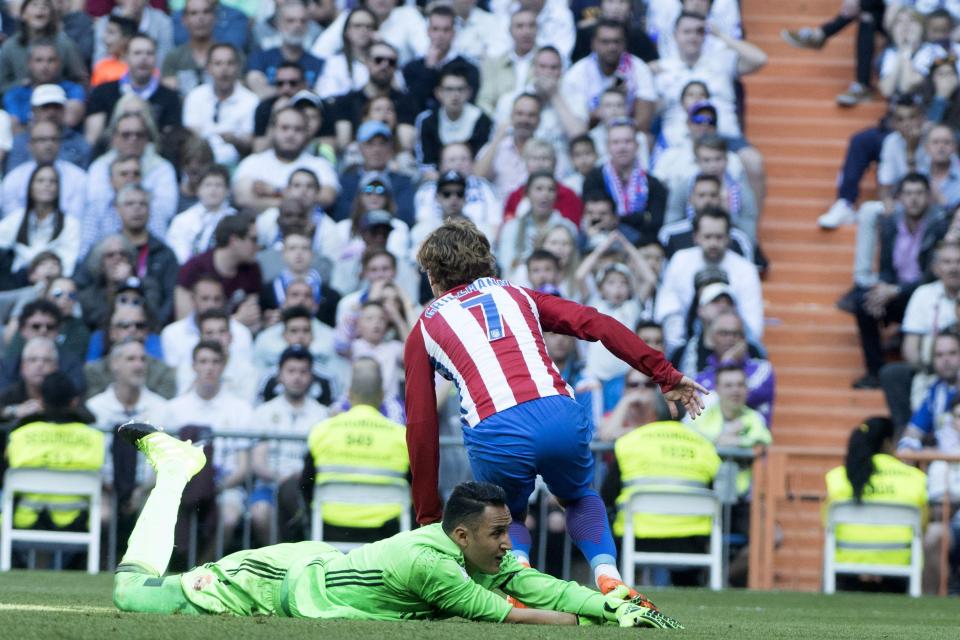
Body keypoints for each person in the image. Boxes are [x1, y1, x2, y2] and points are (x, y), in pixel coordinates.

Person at [405, 218, 707, 598]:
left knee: (506, 515)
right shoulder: (518, 294)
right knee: (579, 496)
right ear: (486, 262)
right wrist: (664, 373)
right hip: (559, 414)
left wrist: (428, 516)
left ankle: (521, 582)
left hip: (496, 428)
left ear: (433, 276)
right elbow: (595, 323)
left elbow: (420, 423)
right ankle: (608, 575)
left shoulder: (425, 327)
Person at [112, 429, 682, 630]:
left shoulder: (474, 552)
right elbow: (519, 613)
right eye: (499, 534)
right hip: (272, 582)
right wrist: (598, 624)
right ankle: (176, 468)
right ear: (462, 535)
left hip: (314, 573)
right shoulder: (429, 562)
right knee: (131, 594)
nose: (509, 545)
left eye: (507, 531)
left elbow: (546, 588)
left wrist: (618, 602)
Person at [599, 418, 720, 586]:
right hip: (691, 540)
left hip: (636, 537)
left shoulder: (629, 442)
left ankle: (616, 589)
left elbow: (607, 495)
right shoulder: (705, 445)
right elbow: (715, 492)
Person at [299, 357, 406, 543]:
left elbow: (306, 484)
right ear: (381, 395)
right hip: (387, 534)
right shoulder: (401, 436)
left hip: (330, 527)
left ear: (349, 394)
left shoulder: (323, 431)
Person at [824, 417, 936, 593]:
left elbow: (827, 524)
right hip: (900, 563)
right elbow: (923, 526)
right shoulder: (916, 478)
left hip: (848, 562)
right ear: (887, 443)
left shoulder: (838, 477)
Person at [4, 371, 102, 534]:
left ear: (41, 401)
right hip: (80, 522)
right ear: (74, 401)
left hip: (22, 521)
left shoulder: (19, 435)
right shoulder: (95, 438)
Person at [250, 345, 329, 543]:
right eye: (291, 371)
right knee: (260, 514)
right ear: (280, 375)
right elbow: (258, 462)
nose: (297, 377)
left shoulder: (322, 414)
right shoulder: (264, 412)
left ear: (311, 377)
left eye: (303, 372)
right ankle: (276, 566)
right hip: (270, 484)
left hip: (306, 486)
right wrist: (281, 477)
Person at [233, 106, 339, 212]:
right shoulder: (252, 162)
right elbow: (243, 199)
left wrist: (273, 190)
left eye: (298, 129)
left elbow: (326, 197)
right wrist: (299, 199)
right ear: (273, 130)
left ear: (307, 133)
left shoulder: (320, 165)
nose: (290, 134)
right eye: (284, 128)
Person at [85, 34, 183, 146]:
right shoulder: (103, 92)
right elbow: (92, 139)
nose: (144, 58)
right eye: (137, 53)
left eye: (149, 53)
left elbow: (171, 141)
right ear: (126, 57)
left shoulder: (170, 97)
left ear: (156, 58)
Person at [561, 19, 656, 132]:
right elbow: (576, 125)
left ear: (625, 43)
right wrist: (600, 112)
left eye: (617, 41)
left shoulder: (638, 68)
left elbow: (643, 121)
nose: (612, 47)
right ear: (594, 44)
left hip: (628, 135)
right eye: (605, 42)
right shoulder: (577, 73)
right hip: (590, 137)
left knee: (646, 138)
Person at [174, 214, 263, 330]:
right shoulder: (192, 269)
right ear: (234, 240)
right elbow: (184, 324)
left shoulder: (252, 269)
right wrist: (235, 320)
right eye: (253, 239)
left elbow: (252, 320)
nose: (258, 246)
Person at [0, 163, 80, 278]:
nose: (47, 185)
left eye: (52, 181)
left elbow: (67, 265)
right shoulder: (17, 217)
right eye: (40, 181)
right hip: (19, 281)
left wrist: (25, 255)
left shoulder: (70, 223)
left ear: (58, 189)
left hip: (53, 282)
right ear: (30, 187)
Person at [182, 43, 257, 166]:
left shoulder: (251, 101)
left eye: (230, 63)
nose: (224, 69)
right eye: (218, 64)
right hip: (199, 162)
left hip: (236, 163)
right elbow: (190, 133)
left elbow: (249, 142)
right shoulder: (195, 96)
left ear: (238, 67)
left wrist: (234, 140)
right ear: (208, 68)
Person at [2, 118, 86, 221]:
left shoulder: (79, 177)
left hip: (67, 235)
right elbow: (11, 220)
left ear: (60, 143)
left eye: (53, 139)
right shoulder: (13, 178)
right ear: (29, 145)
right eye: (42, 140)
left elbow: (76, 219)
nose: (48, 145)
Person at [402, 5, 480, 115]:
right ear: (428, 31)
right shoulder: (412, 67)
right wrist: (429, 69)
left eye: (446, 30)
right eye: (435, 29)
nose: (440, 35)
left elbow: (469, 104)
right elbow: (414, 104)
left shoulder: (468, 68)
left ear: (454, 32)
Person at [246, 0, 324, 98]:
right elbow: (259, 90)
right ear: (278, 24)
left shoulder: (319, 63)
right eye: (290, 20)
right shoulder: (259, 59)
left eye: (303, 21)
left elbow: (320, 95)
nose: (297, 25)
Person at [3, 39, 85, 130]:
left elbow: (70, 121)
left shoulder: (73, 90)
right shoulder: (15, 95)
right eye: (39, 60)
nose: (45, 66)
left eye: (51, 60)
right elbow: (15, 129)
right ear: (29, 64)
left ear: (59, 63)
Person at [166, 165, 236, 264]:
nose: (213, 190)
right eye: (208, 185)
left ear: (228, 190)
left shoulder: (235, 220)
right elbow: (175, 252)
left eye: (218, 185)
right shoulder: (181, 220)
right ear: (198, 189)